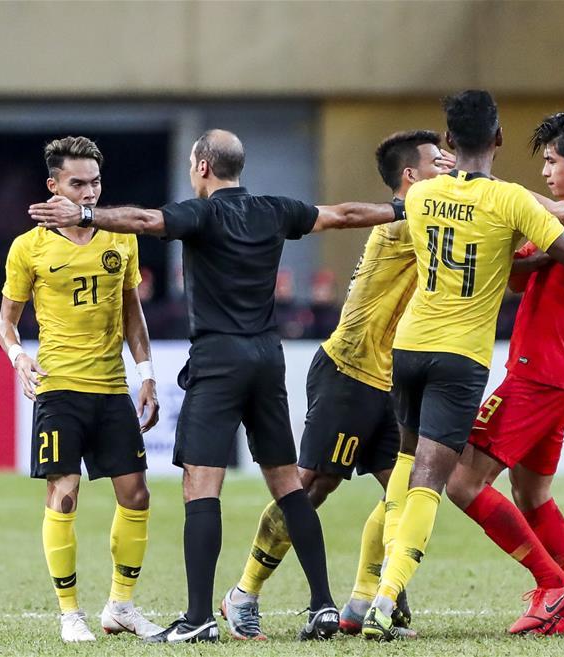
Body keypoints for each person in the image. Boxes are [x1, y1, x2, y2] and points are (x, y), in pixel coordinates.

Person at [29, 129, 408, 644]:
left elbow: (144, 221)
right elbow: (342, 214)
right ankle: (322, 604)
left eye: (193, 164)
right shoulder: (275, 209)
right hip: (267, 358)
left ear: (203, 167)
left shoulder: (201, 214)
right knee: (288, 485)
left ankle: (198, 618)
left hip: (218, 360)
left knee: (201, 486)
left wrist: (87, 214)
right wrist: (400, 208)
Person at [360, 89, 564, 641]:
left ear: (448, 140)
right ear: (499, 138)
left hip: (409, 346)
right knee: (436, 480)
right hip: (459, 357)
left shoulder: (422, 193)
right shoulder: (510, 200)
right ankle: (384, 599)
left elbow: (479, 250)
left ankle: (367, 591)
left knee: (405, 469)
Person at [220, 130, 452, 641]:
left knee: (404, 489)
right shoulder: (404, 222)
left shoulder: (432, 216)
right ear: (410, 177)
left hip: (389, 379)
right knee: (309, 488)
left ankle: (366, 599)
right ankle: (243, 593)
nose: (449, 169)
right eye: (439, 163)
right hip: (349, 372)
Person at [444, 107, 564, 636]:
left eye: (553, 162)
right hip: (554, 370)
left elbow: (562, 218)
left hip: (542, 372)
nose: (546, 171)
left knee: (462, 482)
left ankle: (556, 585)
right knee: (531, 492)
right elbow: (516, 275)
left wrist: (477, 184)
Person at [0, 136, 161, 642]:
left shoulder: (120, 239)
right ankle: (70, 613)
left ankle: (121, 607)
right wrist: (19, 357)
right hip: (59, 388)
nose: (89, 193)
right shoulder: (28, 248)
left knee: (136, 495)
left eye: (95, 183)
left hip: (111, 387)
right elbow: (6, 323)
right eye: (77, 184)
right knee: (63, 495)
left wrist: (147, 373)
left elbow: (133, 313)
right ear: (53, 187)